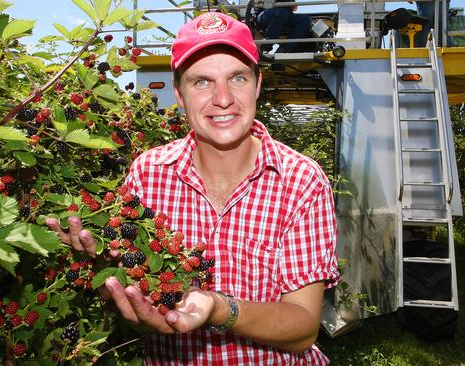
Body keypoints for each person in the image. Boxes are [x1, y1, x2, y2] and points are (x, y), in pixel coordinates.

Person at [46, 11, 340, 365]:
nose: (223, 98)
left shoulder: (301, 180)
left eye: (238, 78)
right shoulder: (149, 174)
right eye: (201, 82)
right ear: (180, 94)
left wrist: (218, 308)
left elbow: (303, 328)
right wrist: (105, 269)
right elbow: (135, 283)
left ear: (258, 84)